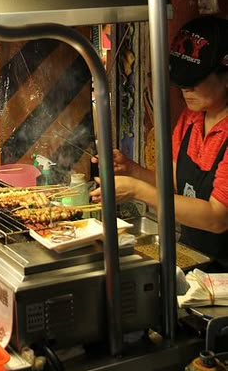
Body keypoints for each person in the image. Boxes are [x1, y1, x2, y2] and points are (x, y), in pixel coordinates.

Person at [90, 15, 228, 272]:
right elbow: (173, 185)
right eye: (181, 81)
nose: (185, 88)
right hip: (196, 261)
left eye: (194, 79)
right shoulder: (191, 118)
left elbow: (217, 217)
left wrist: (136, 190)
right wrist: (132, 170)